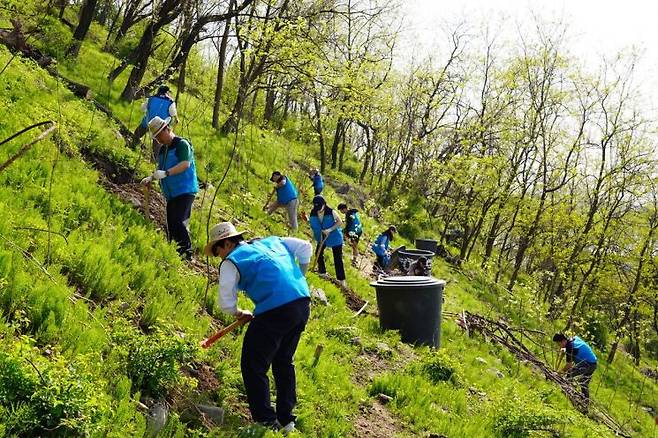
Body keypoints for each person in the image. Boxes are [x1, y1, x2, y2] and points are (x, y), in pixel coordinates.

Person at [204, 222, 312, 434]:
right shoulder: (272, 241)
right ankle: (286, 420)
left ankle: (265, 422)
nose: (219, 258)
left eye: (217, 252)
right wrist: (301, 276)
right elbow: (306, 247)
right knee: (283, 361)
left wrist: (238, 312)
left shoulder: (231, 262)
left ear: (225, 243)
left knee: (253, 365)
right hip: (302, 303)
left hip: (275, 311)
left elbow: (225, 302)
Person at [140, 116, 198, 260]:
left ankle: (187, 254)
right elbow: (160, 171)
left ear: (167, 129)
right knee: (171, 224)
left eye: (160, 135)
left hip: (185, 190)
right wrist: (151, 178)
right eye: (156, 137)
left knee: (179, 221)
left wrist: (167, 173)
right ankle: (174, 253)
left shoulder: (181, 144)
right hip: (171, 194)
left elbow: (185, 164)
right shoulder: (162, 151)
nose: (158, 140)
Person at [133, 85, 178, 160]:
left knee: (137, 134)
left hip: (147, 122)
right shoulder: (170, 102)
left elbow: (143, 108)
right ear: (167, 92)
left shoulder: (151, 98)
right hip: (160, 127)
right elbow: (173, 113)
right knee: (157, 146)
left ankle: (132, 147)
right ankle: (153, 161)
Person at [309, 196, 346, 287]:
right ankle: (322, 272)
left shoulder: (331, 211)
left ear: (324, 204)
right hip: (322, 237)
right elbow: (314, 224)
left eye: (320, 207)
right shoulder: (313, 212)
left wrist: (329, 230)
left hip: (335, 237)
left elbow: (340, 222)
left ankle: (341, 280)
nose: (318, 210)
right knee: (318, 253)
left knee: (337, 258)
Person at [553, 333, 598, 407]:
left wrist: (558, 373)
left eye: (559, 343)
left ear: (563, 341)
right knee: (583, 383)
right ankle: (585, 403)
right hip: (593, 362)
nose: (559, 346)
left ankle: (566, 390)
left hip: (588, 364)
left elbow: (569, 365)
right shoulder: (573, 339)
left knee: (570, 374)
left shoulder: (570, 348)